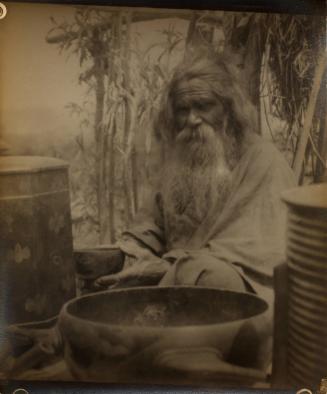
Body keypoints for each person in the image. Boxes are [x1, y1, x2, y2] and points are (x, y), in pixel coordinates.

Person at [95, 54, 296, 370]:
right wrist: (128, 254)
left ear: (227, 109)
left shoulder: (263, 160)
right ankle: (141, 353)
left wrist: (167, 268)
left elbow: (252, 251)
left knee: (208, 275)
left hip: (245, 295)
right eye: (183, 110)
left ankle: (147, 355)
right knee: (102, 281)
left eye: (203, 106)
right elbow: (151, 224)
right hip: (176, 279)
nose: (192, 119)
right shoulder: (178, 159)